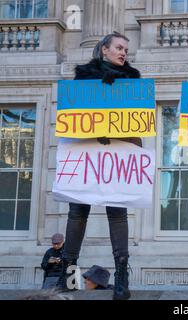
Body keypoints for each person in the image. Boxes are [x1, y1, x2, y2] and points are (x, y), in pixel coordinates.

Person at [56, 32, 142, 300]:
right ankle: (67, 275)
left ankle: (121, 278)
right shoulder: (83, 77)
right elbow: (72, 116)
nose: (123, 52)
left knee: (117, 212)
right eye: (118, 47)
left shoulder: (132, 81)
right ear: (104, 50)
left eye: (125, 49)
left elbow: (137, 121)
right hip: (86, 151)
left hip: (117, 153)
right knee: (77, 211)